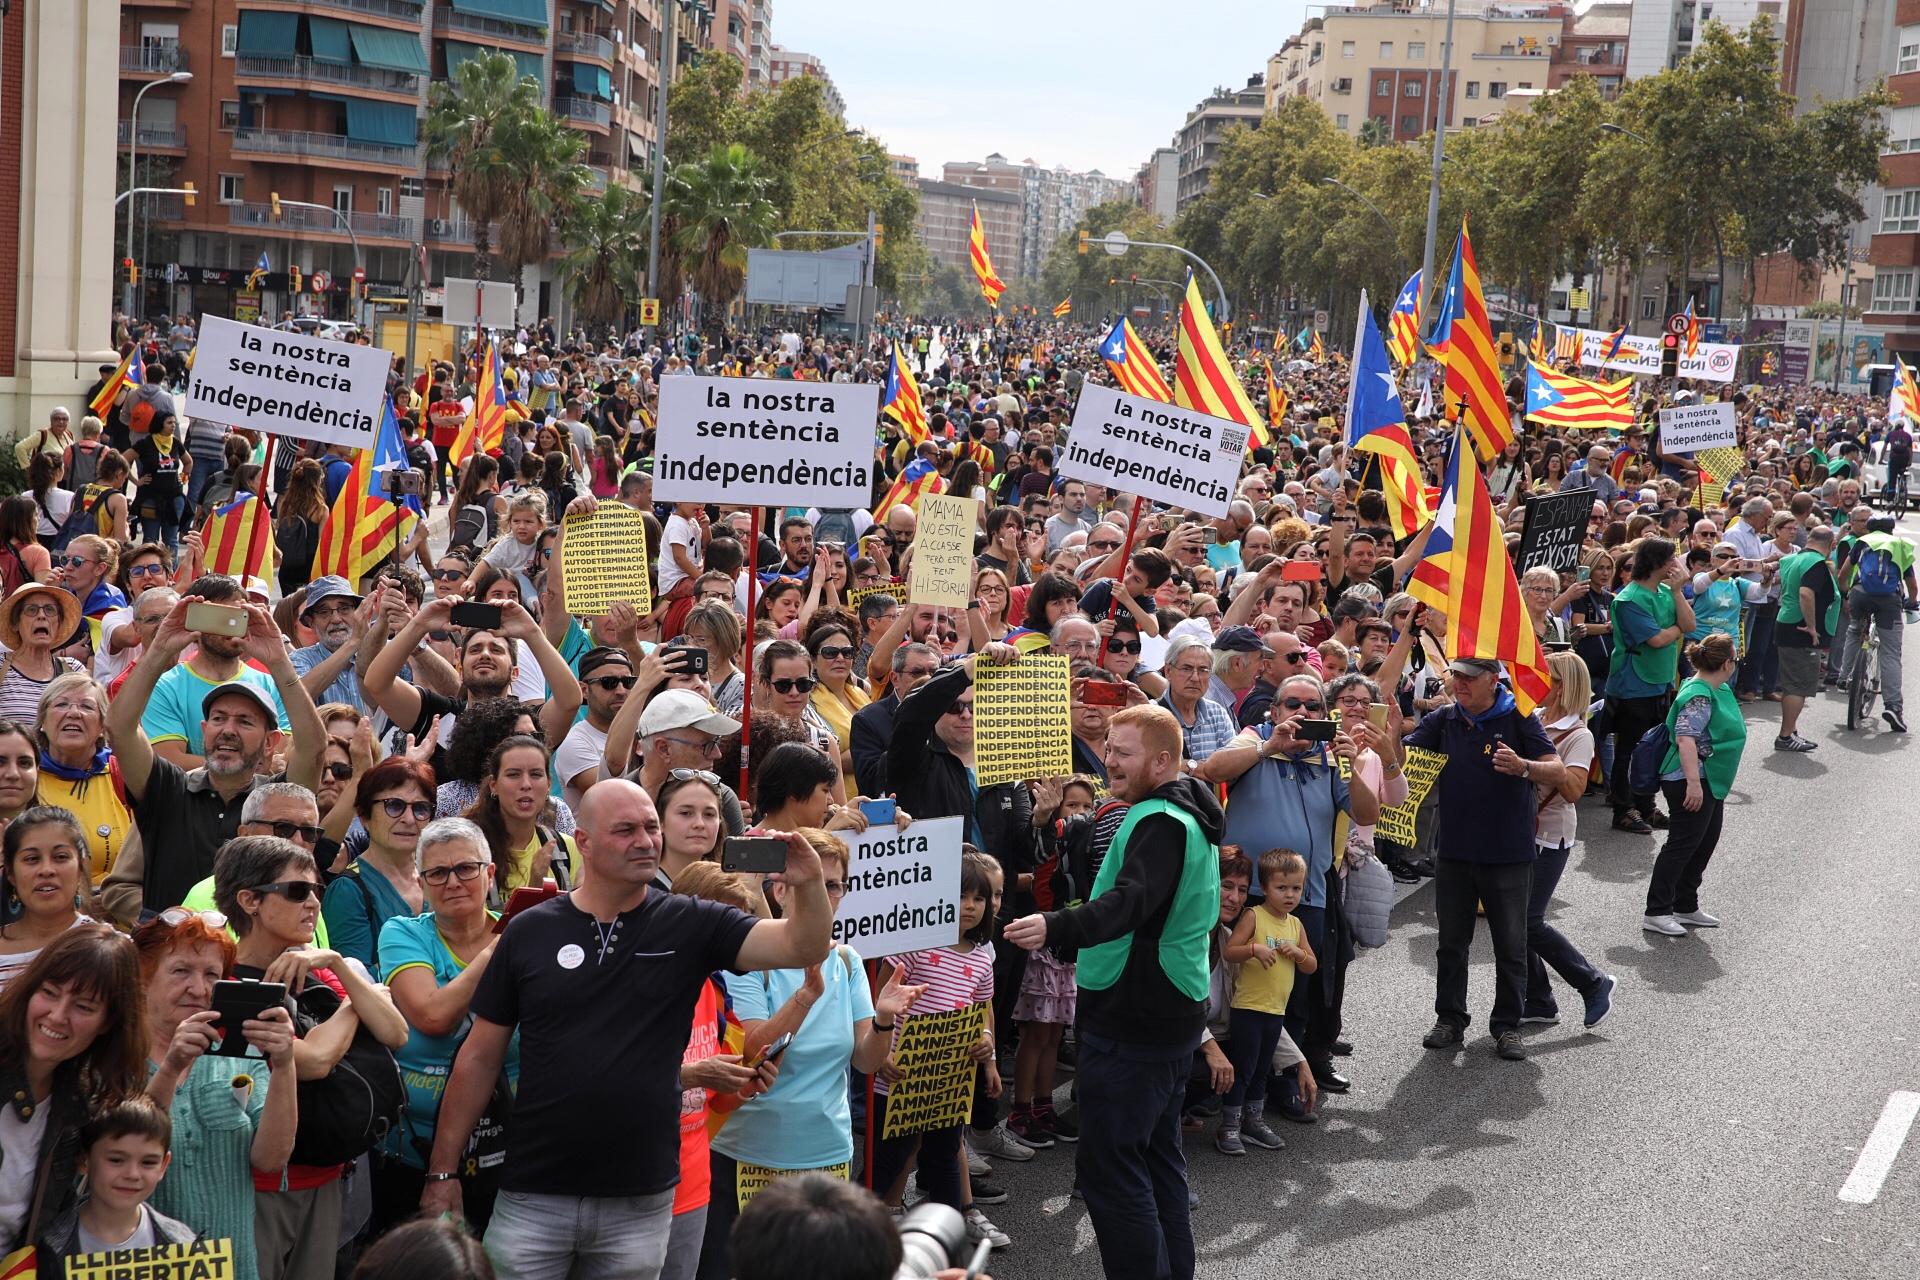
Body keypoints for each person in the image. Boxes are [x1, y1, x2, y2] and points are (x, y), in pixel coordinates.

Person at [419, 781, 836, 1280]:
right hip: (534, 1193)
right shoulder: (530, 931)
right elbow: (479, 1058)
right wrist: (442, 1172)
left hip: (640, 1198)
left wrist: (810, 884)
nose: (645, 840)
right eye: (626, 830)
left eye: (651, 828)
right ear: (585, 843)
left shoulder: (691, 923)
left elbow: (801, 946)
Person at [1004, 704, 1225, 1280]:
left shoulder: (1158, 819)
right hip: (1165, 1009)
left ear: (1161, 760)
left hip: (1137, 1014)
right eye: (1107, 749)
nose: (1108, 761)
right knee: (1156, 1161)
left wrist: (1058, 926)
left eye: (1122, 752)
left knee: (1112, 1172)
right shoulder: (1181, 812)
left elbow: (1129, 902)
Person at [702, 827, 932, 1271]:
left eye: (835, 885)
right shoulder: (750, 956)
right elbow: (754, 1052)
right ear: (782, 889)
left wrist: (884, 1018)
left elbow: (866, 1059)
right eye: (815, 882)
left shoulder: (847, 960)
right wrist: (805, 996)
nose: (827, 895)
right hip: (749, 1155)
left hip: (827, 1154)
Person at [213, 835, 409, 1280]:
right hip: (260, 1189)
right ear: (250, 901)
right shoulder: (225, 985)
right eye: (298, 891)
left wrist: (339, 964)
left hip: (328, 1177)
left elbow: (396, 1032)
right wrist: (354, 1004)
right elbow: (314, 1059)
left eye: (317, 890)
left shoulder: (317, 969)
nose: (314, 903)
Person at [101, 595, 323, 924]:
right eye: (219, 719)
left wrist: (278, 660)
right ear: (204, 730)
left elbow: (314, 747)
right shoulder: (168, 789)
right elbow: (120, 729)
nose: (228, 731)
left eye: (245, 722)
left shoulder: (279, 802)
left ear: (270, 744)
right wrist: (159, 651)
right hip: (174, 961)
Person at [1406, 657, 1566, 1062]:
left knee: (1511, 945)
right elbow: (1406, 764)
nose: (1459, 683)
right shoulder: (1444, 719)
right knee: (1450, 944)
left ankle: (1507, 1026)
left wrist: (1523, 767)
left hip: (1508, 854)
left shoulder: (1520, 717)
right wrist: (1391, 730)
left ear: (1493, 680)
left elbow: (1557, 770)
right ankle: (1450, 1019)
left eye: (1469, 678)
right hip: (1455, 853)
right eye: (1455, 675)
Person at [136, 907, 297, 1280]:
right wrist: (171, 1067)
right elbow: (124, 1145)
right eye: (180, 972)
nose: (199, 988)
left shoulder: (241, 1058)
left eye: (212, 975)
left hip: (232, 1267)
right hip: (143, 1267)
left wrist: (286, 1064)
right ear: (141, 978)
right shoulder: (113, 1058)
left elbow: (270, 1160)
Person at [373, 818, 516, 1237]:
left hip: (507, 1147)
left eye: (466, 869)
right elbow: (433, 1017)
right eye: (437, 873)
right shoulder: (402, 933)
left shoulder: (521, 934)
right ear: (422, 881)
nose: (453, 882)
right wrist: (498, 951)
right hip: (411, 1152)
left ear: (490, 873)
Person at [867, 850, 1005, 1242]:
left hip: (948, 1079)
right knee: (889, 1159)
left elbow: (983, 1010)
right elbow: (879, 997)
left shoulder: (981, 958)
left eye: (979, 899)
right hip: (899, 1074)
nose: (971, 906)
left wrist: (989, 1051)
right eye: (962, 896)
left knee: (945, 1155)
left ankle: (945, 1241)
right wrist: (883, 1055)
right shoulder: (915, 945)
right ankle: (864, 1238)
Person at [0, 926, 148, 1256]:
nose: (57, 1015)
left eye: (83, 1006)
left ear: (108, 1022)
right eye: (50, 992)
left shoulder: (80, 1105)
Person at [1525, 652, 1615, 1030]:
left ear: (1561, 686)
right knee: (1512, 919)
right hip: (1520, 832)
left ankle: (1593, 982)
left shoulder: (1579, 735)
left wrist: (1532, 765)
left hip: (1549, 833)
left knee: (1528, 920)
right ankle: (1540, 1000)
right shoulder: (1534, 720)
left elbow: (1576, 789)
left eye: (1543, 677)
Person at [1643, 635, 1748, 936]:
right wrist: (1693, 784)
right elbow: (1685, 738)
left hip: (1709, 778)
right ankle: (1657, 910)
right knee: (1681, 845)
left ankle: (1685, 904)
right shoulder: (1699, 693)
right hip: (1691, 778)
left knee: (1704, 842)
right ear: (1727, 664)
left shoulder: (1714, 687)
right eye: (1735, 660)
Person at [1213, 848, 1315, 1156]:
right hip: (1247, 1008)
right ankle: (1228, 1125)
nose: (1289, 895)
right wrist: (1254, 949)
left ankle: (1252, 1122)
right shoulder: (1253, 916)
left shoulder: (1296, 926)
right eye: (1281, 888)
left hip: (1275, 1011)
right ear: (1265, 888)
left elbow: (1311, 964)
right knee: (1244, 1069)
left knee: (1262, 1071)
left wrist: (1299, 954)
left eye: (1296, 888)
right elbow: (1231, 951)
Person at [139, 575, 291, 768]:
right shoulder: (165, 687)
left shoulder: (270, 684)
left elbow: (283, 754)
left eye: (238, 615)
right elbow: (171, 762)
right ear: (196, 618)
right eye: (221, 616)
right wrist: (248, 766)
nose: (232, 626)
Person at [1604, 539, 1695, 834]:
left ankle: (1645, 804)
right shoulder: (1629, 599)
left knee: (1654, 748)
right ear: (1658, 562)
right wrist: (1676, 628)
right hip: (1633, 684)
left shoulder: (1668, 592)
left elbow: (1690, 625)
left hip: (1661, 681)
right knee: (1629, 749)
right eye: (1672, 559)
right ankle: (1623, 809)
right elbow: (1655, 640)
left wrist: (1679, 592)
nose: (1676, 565)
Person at [34, 1094, 197, 1257]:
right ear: (84, 1160)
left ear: (163, 1165)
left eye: (148, 1162)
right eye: (116, 1160)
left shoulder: (182, 1245)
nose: (132, 1174)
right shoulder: (44, 1246)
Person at [321, 758, 434, 968]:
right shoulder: (348, 890)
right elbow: (354, 979)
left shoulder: (441, 876)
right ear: (364, 815)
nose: (409, 819)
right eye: (394, 806)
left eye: (420, 808)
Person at [0, 805, 97, 990]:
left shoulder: (108, 949)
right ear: (11, 873)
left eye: (60, 857)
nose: (46, 870)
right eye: (32, 859)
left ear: (80, 868)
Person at [1834, 516, 1916, 734]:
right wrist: (1913, 601)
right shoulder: (1899, 545)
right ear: (1891, 529)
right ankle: (1893, 707)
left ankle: (1844, 678)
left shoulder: (1862, 543)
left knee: (1853, 632)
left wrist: (1845, 594)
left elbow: (1842, 574)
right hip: (1889, 600)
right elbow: (1912, 585)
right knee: (1890, 653)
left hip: (1860, 595)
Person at [1773, 525, 1839, 751]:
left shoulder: (1794, 558)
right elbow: (1805, 593)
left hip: (1787, 623)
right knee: (1797, 686)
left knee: (1794, 683)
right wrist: (1811, 626)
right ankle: (1785, 736)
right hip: (1799, 630)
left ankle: (1790, 731)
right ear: (1831, 544)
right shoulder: (1815, 562)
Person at [0, 584, 85, 724]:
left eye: (49, 610)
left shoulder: (73, 670)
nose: (41, 616)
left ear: (58, 624)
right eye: (31, 610)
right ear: (15, 624)